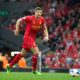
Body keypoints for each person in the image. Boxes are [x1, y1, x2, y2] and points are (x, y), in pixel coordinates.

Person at [6, 7, 49, 75]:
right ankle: (34, 70)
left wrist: (47, 36)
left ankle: (9, 66)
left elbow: (44, 27)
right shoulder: (29, 18)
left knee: (22, 54)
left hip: (32, 38)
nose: (39, 13)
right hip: (27, 37)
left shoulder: (42, 19)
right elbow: (19, 20)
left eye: (40, 12)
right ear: (35, 12)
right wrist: (17, 30)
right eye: (38, 12)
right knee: (36, 52)